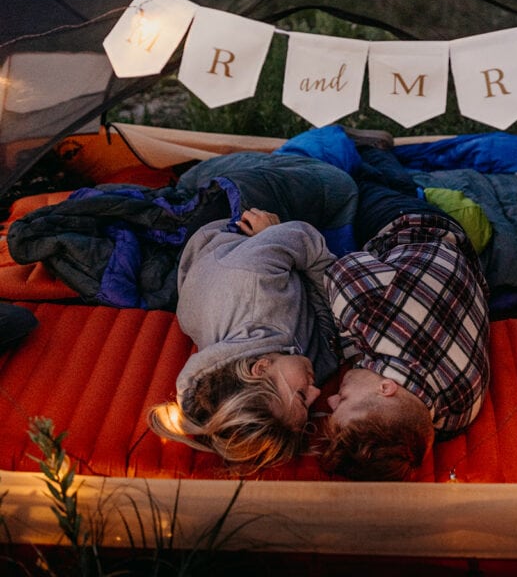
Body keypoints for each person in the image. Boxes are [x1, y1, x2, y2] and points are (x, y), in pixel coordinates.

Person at [319, 152, 491, 481]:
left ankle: (383, 162)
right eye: (343, 400)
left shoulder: (460, 414)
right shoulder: (371, 314)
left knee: (390, 182)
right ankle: (368, 153)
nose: (330, 396)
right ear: (386, 388)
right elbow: (340, 269)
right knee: (352, 187)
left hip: (457, 247)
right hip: (409, 223)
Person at [148, 206, 342, 475]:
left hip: (238, 221)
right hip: (269, 257)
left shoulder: (252, 281)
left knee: (341, 194)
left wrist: (271, 233)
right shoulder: (281, 379)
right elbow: (329, 335)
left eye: (302, 396)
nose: (317, 393)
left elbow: (302, 238)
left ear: (259, 368)